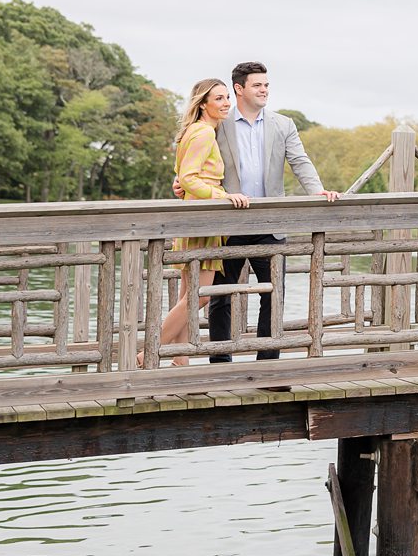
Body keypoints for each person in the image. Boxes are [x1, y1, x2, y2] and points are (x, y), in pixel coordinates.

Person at [194, 61, 339, 361]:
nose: (264, 90)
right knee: (221, 298)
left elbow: (300, 161)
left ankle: (267, 365)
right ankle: (220, 364)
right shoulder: (218, 123)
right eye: (258, 85)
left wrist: (317, 191)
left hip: (271, 224)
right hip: (228, 224)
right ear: (239, 89)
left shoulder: (283, 124)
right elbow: (194, 157)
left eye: (266, 85)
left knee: (274, 296)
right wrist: (181, 181)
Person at [144, 78, 250, 366]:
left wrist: (187, 187)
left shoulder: (194, 131)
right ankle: (146, 353)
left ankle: (181, 365)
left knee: (186, 297)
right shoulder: (203, 133)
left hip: (193, 217)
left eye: (227, 97)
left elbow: (181, 177)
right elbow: (189, 177)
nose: (226, 102)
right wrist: (224, 195)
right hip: (202, 220)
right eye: (218, 98)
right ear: (203, 103)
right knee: (199, 296)